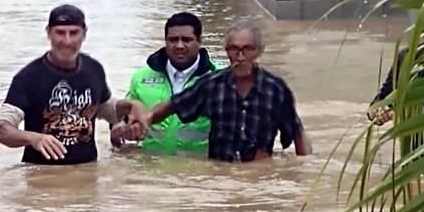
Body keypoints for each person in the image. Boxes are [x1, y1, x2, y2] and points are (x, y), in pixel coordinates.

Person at [130, 18, 312, 163]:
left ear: (259, 51)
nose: (240, 56)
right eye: (234, 49)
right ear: (226, 51)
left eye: (247, 49)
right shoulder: (211, 85)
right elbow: (173, 105)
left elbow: (296, 132)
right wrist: (144, 119)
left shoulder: (276, 89)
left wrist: (304, 174)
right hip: (221, 175)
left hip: (260, 178)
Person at [0, 4, 146, 165]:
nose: (67, 41)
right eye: (60, 33)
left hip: (88, 172)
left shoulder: (94, 69)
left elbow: (105, 108)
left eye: (73, 33)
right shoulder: (28, 77)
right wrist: (33, 138)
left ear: (84, 34)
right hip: (41, 176)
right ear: (48, 33)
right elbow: (1, 131)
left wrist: (131, 108)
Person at [110, 12, 224, 154]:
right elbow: (127, 116)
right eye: (173, 40)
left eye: (186, 40)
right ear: (165, 41)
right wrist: (122, 128)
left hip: (199, 170)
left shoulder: (220, 78)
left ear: (200, 40)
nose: (179, 45)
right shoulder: (142, 77)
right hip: (150, 168)